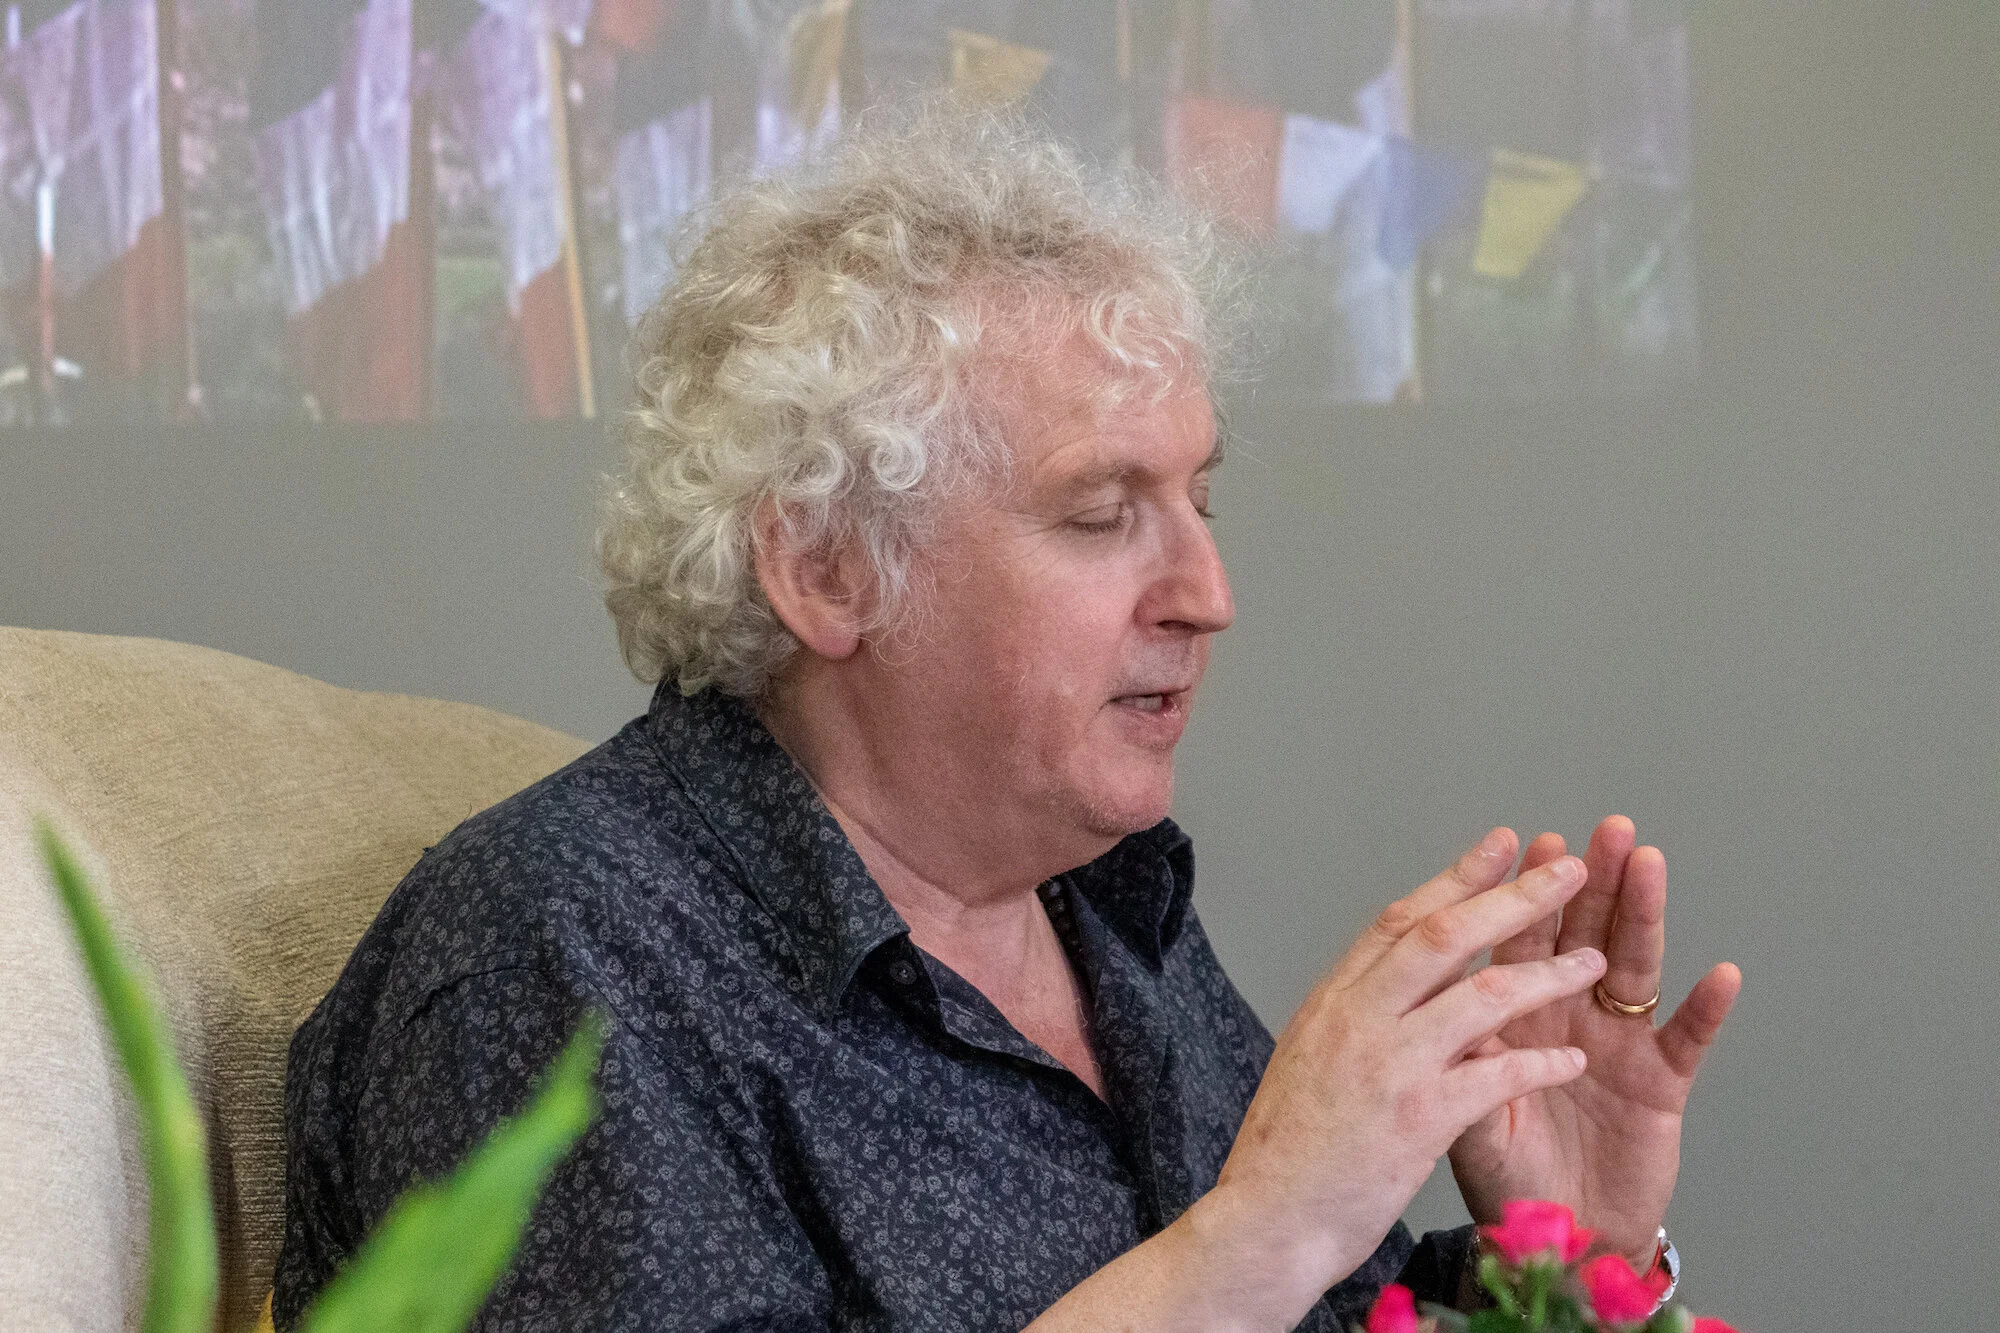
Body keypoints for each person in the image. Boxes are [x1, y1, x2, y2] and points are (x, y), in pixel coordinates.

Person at [273, 109, 1741, 1332]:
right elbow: (1248, 1277)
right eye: (1102, 516)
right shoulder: (554, 960)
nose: (1208, 591)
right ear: (827, 569)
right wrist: (1253, 1238)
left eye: (1201, 500)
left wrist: (1576, 1261)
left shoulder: (1106, 911)